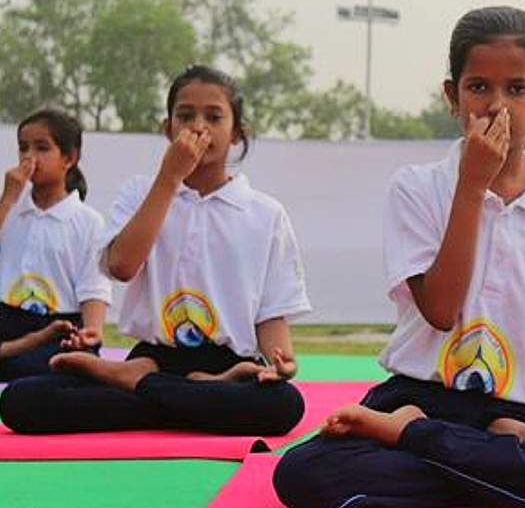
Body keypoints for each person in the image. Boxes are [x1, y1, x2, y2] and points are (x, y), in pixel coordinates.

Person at [272, 6, 525, 508]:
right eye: (479, 87)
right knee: (302, 474)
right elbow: (439, 309)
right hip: (422, 393)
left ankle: (421, 439)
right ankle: (497, 461)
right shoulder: (415, 188)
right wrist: (472, 186)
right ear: (453, 96)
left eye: (517, 89)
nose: (498, 105)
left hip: (523, 412)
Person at [0, 66, 311, 435]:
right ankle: (179, 394)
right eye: (185, 116)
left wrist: (280, 364)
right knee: (21, 401)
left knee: (284, 406)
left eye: (214, 117)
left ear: (237, 132)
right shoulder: (140, 191)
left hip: (229, 365)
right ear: (168, 128)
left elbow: (272, 315)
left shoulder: (265, 213)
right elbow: (121, 266)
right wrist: (169, 178)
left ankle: (139, 387)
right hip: (154, 356)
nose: (198, 127)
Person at [0, 109, 110, 380]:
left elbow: (93, 287)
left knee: (62, 367)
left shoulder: (88, 222)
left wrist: (91, 333)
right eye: (23, 148)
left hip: (59, 325)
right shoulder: (10, 209)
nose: (29, 157)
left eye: (42, 148)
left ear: (69, 158)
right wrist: (8, 199)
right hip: (7, 321)